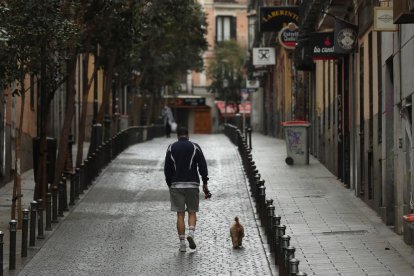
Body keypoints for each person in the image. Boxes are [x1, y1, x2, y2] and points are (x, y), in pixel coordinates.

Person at [164, 127, 210, 252]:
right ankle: (191, 234)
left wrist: (170, 183)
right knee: (192, 212)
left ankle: (182, 244)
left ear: (177, 136)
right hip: (192, 184)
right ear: (188, 135)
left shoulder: (171, 148)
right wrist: (205, 182)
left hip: (176, 185)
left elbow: (167, 168)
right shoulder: (195, 147)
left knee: (180, 214)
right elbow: (202, 165)